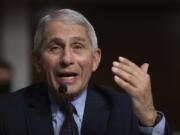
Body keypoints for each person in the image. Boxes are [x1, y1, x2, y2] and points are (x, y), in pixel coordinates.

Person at [0, 9, 172, 135]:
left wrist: (149, 117)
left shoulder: (127, 110)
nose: (67, 59)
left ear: (95, 59)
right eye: (55, 47)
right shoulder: (6, 111)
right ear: (37, 60)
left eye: (78, 46)